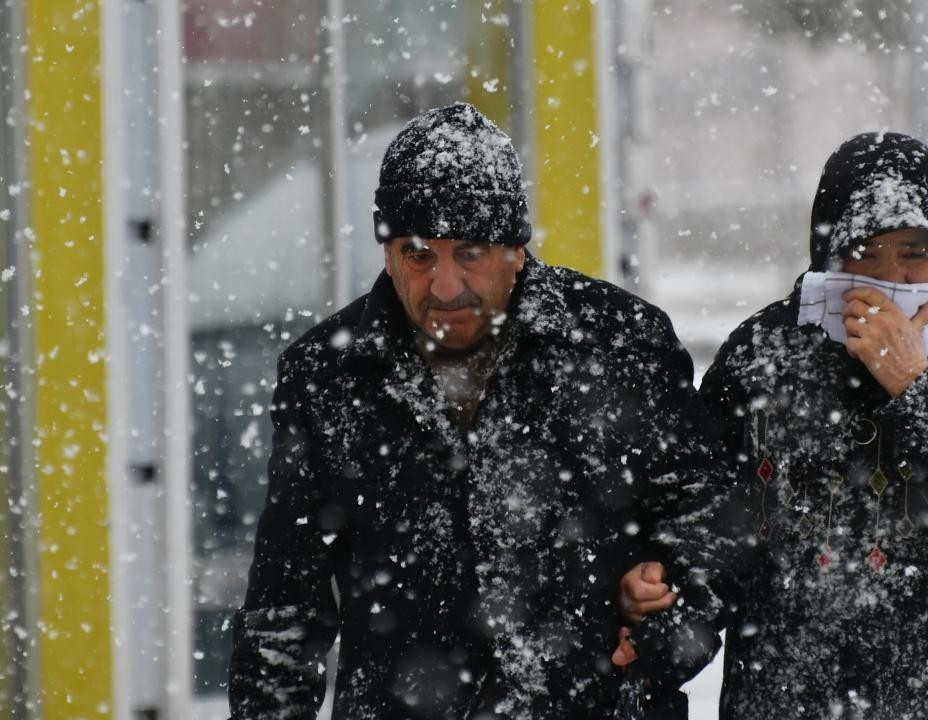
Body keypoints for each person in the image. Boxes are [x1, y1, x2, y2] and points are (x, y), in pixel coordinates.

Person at [227, 102, 740, 720]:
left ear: (516, 250)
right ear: (388, 255)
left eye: (469, 252)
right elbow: (284, 609)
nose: (445, 286)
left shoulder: (619, 345)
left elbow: (709, 513)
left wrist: (668, 614)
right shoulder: (327, 377)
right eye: (419, 255)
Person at [623, 132, 928, 718]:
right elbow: (709, 517)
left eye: (913, 253)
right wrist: (664, 591)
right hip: (790, 696)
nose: (891, 279)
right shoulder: (762, 354)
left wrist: (915, 386)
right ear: (827, 256)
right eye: (864, 254)